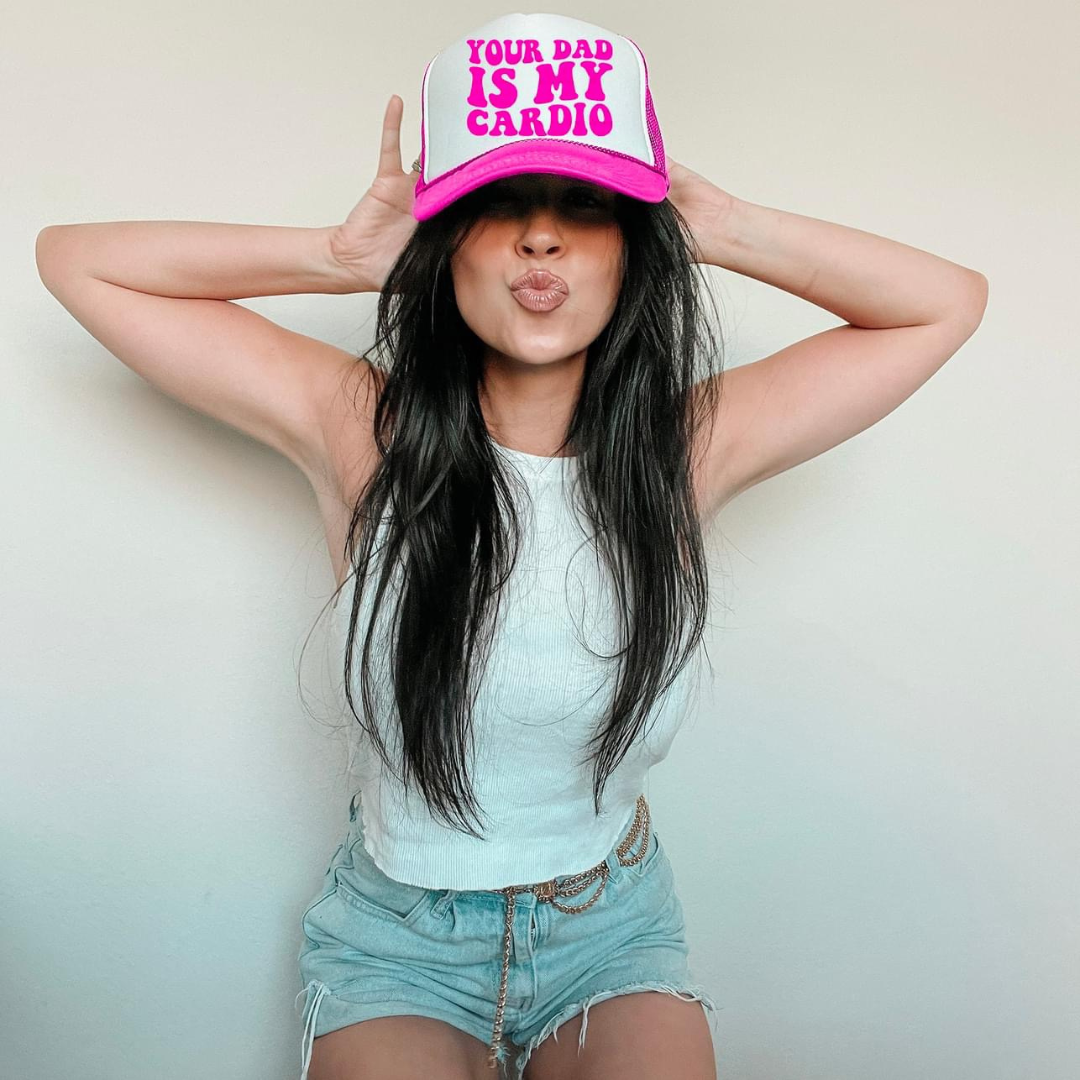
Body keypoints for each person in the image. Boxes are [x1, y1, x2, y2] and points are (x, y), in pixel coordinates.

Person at [34, 12, 988, 1080]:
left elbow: (944, 305)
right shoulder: (363, 429)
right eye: (499, 204)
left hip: (612, 930)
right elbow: (77, 263)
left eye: (585, 206)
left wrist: (719, 225)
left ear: (631, 246)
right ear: (447, 241)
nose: (542, 239)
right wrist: (336, 259)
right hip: (399, 944)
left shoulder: (682, 451)